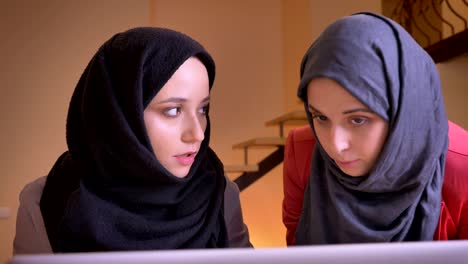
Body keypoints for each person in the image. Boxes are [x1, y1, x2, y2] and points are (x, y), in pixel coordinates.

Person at [13, 27, 251, 253]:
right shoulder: (45, 199)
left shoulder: (219, 194)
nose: (197, 134)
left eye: (203, 110)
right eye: (173, 110)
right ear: (119, 113)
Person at [282, 12, 468, 245]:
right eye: (320, 117)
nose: (336, 145)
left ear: (405, 109)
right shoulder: (302, 154)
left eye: (358, 119)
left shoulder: (463, 167)